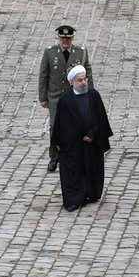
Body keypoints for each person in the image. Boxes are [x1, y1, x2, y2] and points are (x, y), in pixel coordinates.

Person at [52, 65, 113, 212]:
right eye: (79, 80)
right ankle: (74, 199)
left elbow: (100, 118)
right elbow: (59, 123)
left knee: (91, 168)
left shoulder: (93, 95)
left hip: (90, 143)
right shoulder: (65, 100)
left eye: (84, 79)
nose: (83, 83)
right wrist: (58, 142)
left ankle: (90, 193)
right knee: (73, 172)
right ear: (72, 82)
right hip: (73, 145)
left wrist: (92, 134)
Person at [38, 24, 92, 172]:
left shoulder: (80, 53)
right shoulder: (50, 53)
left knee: (76, 126)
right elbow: (44, 75)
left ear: (72, 37)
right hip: (55, 97)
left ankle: (73, 154)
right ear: (58, 37)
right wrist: (43, 97)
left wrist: (89, 95)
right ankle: (54, 157)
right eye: (62, 37)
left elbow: (88, 75)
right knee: (55, 126)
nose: (65, 40)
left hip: (74, 96)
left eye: (68, 38)